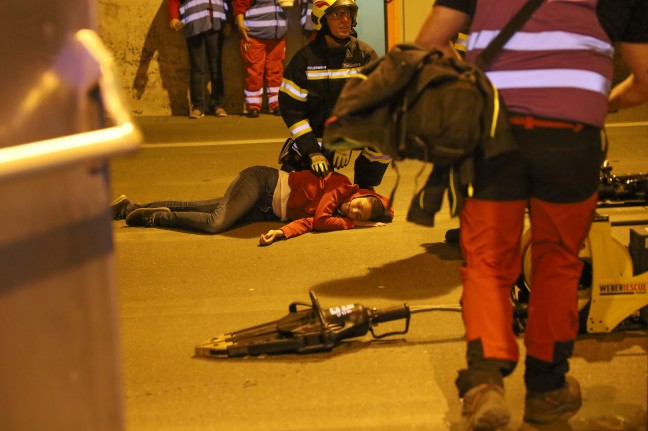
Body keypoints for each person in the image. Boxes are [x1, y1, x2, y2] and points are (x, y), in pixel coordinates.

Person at [414, 0, 648, 429]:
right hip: (572, 139)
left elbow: (428, 42)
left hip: (493, 132)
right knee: (558, 259)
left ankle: (484, 383)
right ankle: (547, 387)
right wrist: (604, 103)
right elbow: (646, 78)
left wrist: (472, 80)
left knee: (486, 260)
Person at [110, 166, 393, 245]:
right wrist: (353, 224)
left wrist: (280, 234)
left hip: (263, 207)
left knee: (200, 207)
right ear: (358, 195)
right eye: (358, 206)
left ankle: (129, 207)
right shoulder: (341, 185)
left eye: (358, 214)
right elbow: (320, 222)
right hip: (261, 183)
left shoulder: (333, 212)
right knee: (215, 224)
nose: (353, 211)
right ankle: (156, 219)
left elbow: (308, 224)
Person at [278, 0, 391, 190]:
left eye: (348, 14)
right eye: (337, 14)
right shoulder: (304, 60)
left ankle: (364, 187)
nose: (345, 20)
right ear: (322, 20)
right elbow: (292, 111)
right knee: (303, 194)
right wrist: (311, 151)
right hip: (317, 138)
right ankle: (299, 158)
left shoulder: (364, 56)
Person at [167, 0, 229, 119]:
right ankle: (198, 106)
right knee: (197, 67)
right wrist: (174, 17)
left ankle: (218, 104)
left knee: (216, 66)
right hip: (194, 23)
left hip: (216, 22)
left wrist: (229, 21)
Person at [232, 0, 287, 118]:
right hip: (253, 35)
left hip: (277, 35)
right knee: (254, 71)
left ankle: (277, 104)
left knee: (276, 70)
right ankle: (253, 106)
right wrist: (240, 24)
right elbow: (239, 4)